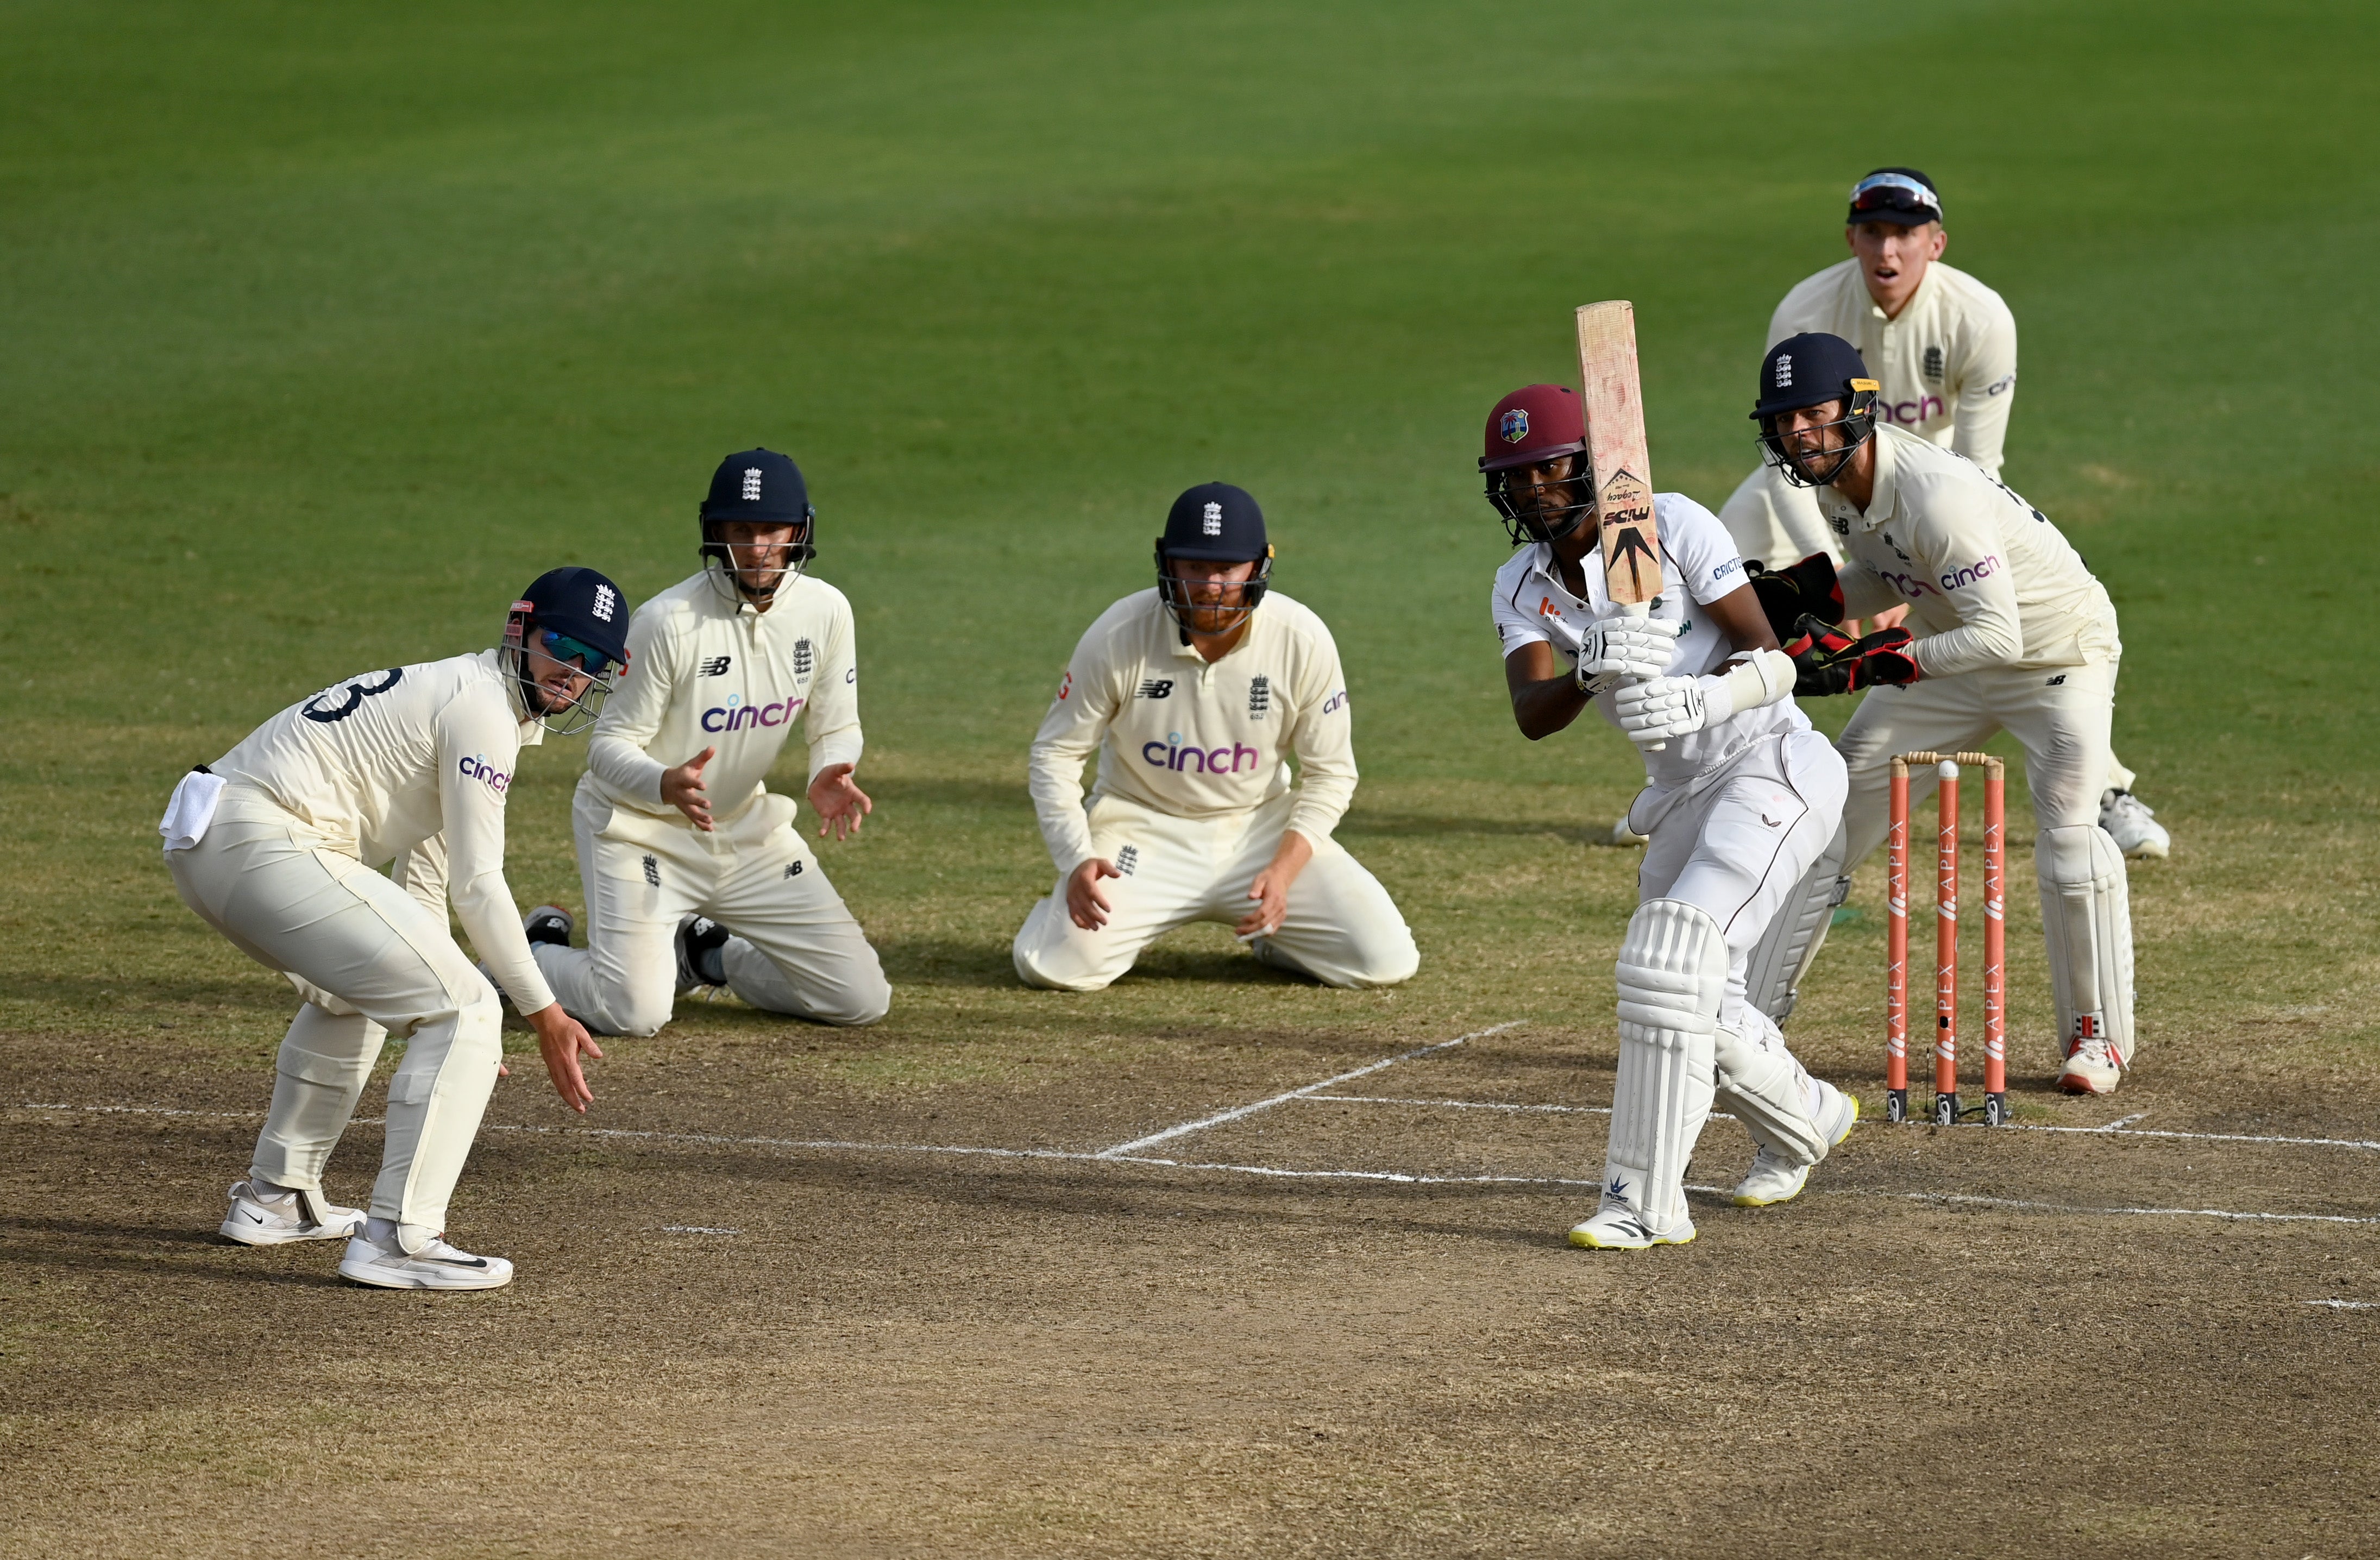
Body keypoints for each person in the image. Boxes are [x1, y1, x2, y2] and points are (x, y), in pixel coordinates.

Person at [161, 568, 626, 1290]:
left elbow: (429, 882)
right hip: (261, 838)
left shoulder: (467, 698)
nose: (572, 673)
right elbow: (480, 884)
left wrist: (441, 1016)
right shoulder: (482, 710)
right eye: (562, 645)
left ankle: (277, 1198)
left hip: (217, 842)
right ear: (521, 630)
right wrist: (542, 1013)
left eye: (593, 662)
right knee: (469, 1005)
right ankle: (400, 1241)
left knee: (369, 994)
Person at [1479, 383, 1858, 1249]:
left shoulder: (1674, 524)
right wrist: (1584, 674)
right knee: (1689, 989)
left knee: (1671, 956)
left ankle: (1641, 1205)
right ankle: (1810, 1119)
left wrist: (1699, 698)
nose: (1534, 488)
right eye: (1515, 477)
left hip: (1772, 765)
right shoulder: (1518, 585)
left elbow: (1775, 661)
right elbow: (1531, 712)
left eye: (1549, 467)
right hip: (1684, 796)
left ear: (1586, 464)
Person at [1716, 167, 2168, 859]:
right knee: (1731, 553)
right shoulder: (1805, 313)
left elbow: (1978, 468)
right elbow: (1799, 464)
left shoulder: (1978, 316)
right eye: (1872, 233)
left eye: (1903, 234)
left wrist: (1882, 637)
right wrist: (1830, 590)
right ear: (1851, 239)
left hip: (1945, 507)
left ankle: (2104, 789)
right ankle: (1704, 771)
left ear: (1937, 243)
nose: (1886, 251)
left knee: (2067, 836)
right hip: (1848, 484)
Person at [1745, 332, 2137, 1096]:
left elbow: (2001, 634)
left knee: (2066, 836)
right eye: (1785, 421)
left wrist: (1872, 662)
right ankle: (1746, 1017)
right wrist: (1809, 593)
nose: (1799, 435)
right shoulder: (1834, 480)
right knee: (1831, 819)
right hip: (1950, 655)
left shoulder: (1934, 493)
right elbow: (1893, 569)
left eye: (1815, 416)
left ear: (1857, 409)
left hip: (2055, 656)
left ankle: (2097, 1037)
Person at [522, 449, 890, 1035]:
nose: (756, 546)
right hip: (642, 833)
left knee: (860, 999)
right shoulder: (667, 620)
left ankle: (707, 956)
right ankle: (525, 957)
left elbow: (836, 723)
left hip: (747, 832)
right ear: (715, 532)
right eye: (739, 530)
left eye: (771, 529)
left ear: (799, 530)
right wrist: (664, 783)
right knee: (635, 1012)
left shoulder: (827, 611)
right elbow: (607, 746)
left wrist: (833, 766)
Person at [1012, 482, 1417, 992]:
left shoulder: (1301, 637)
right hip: (1141, 830)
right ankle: (1052, 918)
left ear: (1258, 567)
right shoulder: (1118, 633)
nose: (1210, 585)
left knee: (1384, 960)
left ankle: (1276, 939)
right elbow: (1056, 753)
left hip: (1260, 830)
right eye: (1195, 567)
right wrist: (1075, 859)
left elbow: (1331, 774)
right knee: (1057, 968)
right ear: (1167, 563)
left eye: (1227, 568)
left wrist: (1285, 870)